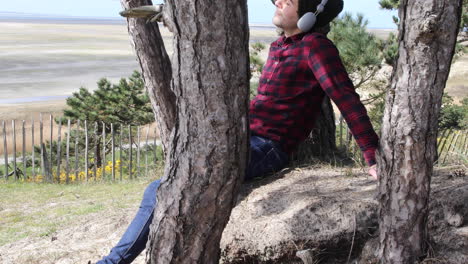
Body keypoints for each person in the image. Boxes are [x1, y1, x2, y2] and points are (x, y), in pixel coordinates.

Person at [96, 0, 378, 262]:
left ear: (309, 14)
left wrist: (372, 155)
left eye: (288, 0)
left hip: (267, 147)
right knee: (165, 185)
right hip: (244, 139)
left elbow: (345, 98)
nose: (278, 1)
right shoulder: (281, 46)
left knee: (160, 189)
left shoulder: (316, 46)